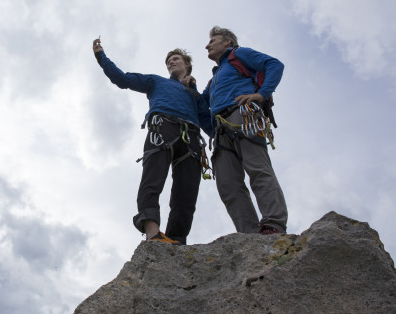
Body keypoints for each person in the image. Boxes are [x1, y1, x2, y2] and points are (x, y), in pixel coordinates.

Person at [92, 37, 211, 245]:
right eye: (168, 61)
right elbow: (123, 79)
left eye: (175, 59)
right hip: (163, 125)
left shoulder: (195, 95)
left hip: (192, 135)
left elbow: (208, 122)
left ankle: (177, 239)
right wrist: (101, 57)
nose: (170, 63)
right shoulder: (157, 81)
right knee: (153, 178)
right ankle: (153, 232)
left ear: (187, 64)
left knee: (187, 190)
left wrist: (228, 139)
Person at [202, 26, 288, 234]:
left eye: (214, 40)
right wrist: (211, 129)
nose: (208, 44)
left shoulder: (238, 54)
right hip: (221, 129)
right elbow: (199, 106)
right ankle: (249, 234)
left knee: (257, 169)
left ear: (228, 42)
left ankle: (273, 225)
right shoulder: (213, 79)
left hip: (243, 115)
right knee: (228, 185)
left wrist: (262, 94)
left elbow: (274, 64)